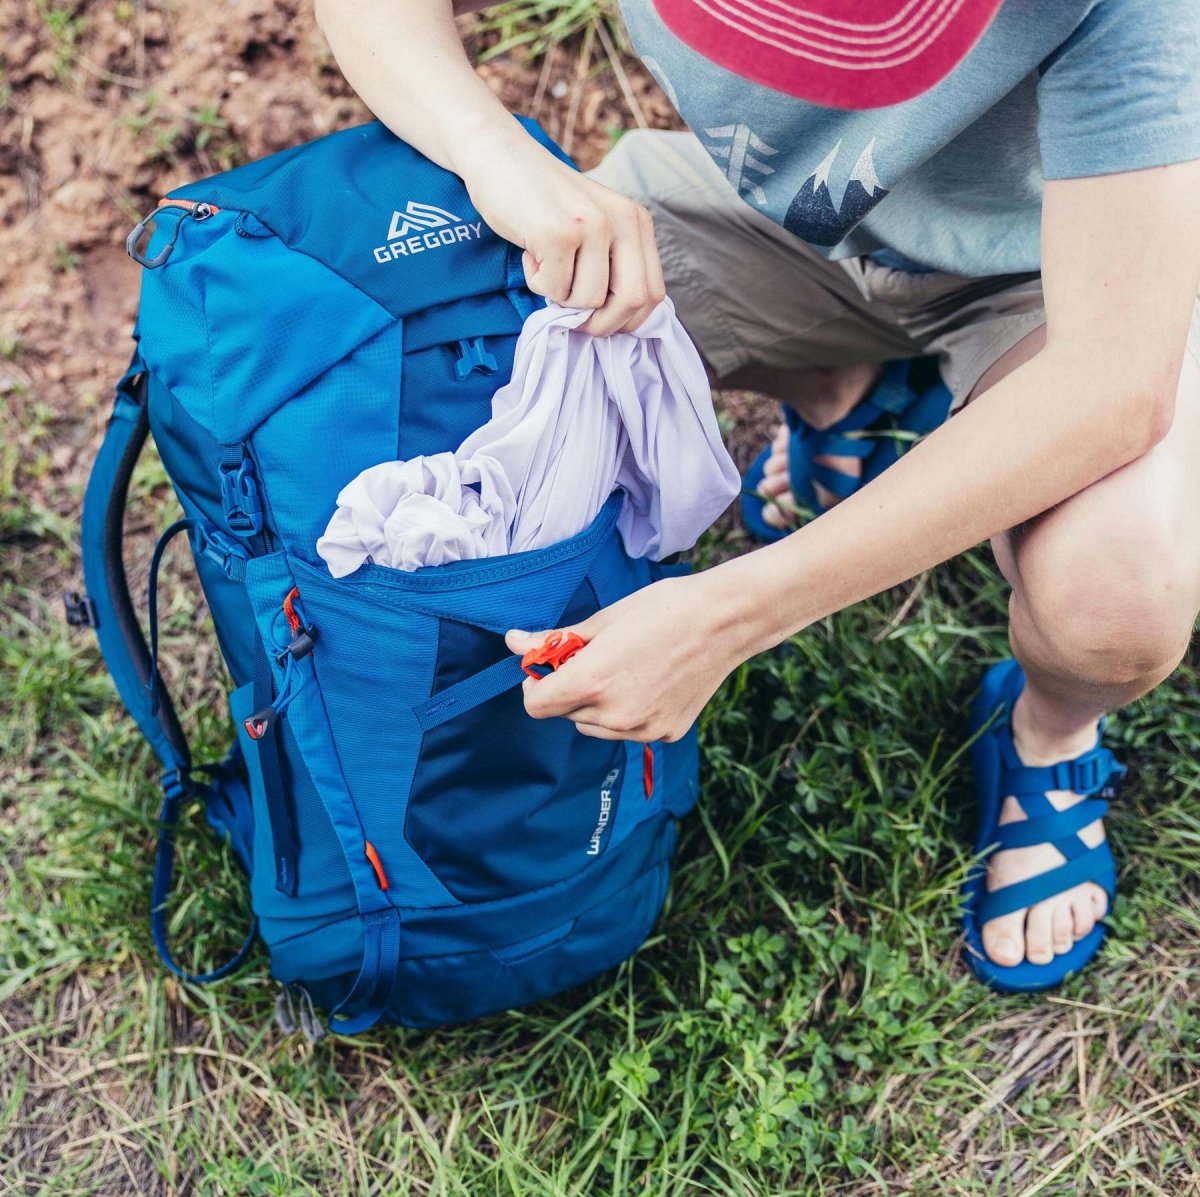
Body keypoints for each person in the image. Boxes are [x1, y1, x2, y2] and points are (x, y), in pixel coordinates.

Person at [316, 0, 1200, 991]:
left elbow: (1112, 381)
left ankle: (1051, 732)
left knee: (1117, 594)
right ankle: (841, 394)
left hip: (1066, 261)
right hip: (774, 217)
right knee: (478, 340)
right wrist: (497, 156)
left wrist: (731, 615)